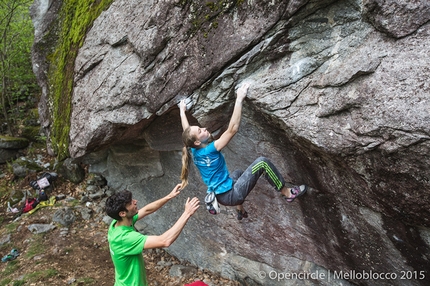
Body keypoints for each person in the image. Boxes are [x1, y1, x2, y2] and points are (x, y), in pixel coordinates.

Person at [179, 83, 307, 220]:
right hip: (232, 195)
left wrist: (182, 110)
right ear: (197, 141)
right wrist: (239, 99)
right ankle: (287, 193)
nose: (204, 128)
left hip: (221, 197)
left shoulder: (194, 149)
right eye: (200, 131)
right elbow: (232, 129)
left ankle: (240, 210)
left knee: (238, 173)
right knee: (262, 163)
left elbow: (187, 131)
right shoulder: (210, 149)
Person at [105, 184, 199, 286]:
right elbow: (165, 241)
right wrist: (187, 213)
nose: (135, 201)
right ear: (122, 213)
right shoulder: (124, 238)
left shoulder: (117, 224)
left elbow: (146, 210)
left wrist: (170, 196)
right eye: (130, 203)